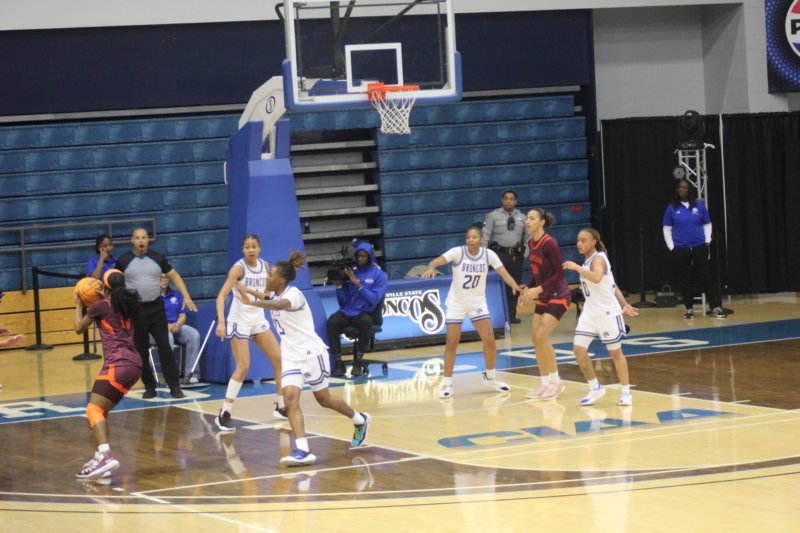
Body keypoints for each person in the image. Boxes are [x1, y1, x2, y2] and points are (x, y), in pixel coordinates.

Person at [235, 251, 371, 466]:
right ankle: (303, 449)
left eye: (270, 275)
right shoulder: (275, 295)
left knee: (324, 400)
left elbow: (278, 305)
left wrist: (253, 304)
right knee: (290, 399)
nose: (266, 278)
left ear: (281, 279)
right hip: (290, 355)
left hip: (311, 353)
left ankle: (359, 419)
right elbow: (269, 299)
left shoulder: (294, 294)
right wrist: (247, 291)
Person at [421, 223, 523, 399]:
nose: (470, 240)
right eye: (468, 237)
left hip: (477, 303)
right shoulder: (458, 252)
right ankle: (447, 383)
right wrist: (431, 267)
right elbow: (436, 261)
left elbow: (504, 273)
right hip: (457, 303)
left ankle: (490, 376)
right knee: (452, 342)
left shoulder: (488, 255)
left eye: (474, 237)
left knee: (489, 339)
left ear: (481, 239)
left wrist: (515, 286)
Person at [73, 269, 142, 478]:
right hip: (134, 363)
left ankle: (105, 456)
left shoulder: (101, 306)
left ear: (104, 287)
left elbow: (79, 328)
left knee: (93, 409)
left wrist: (79, 304)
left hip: (117, 364)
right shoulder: (127, 304)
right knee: (102, 412)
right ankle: (100, 456)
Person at [214, 234, 285, 432]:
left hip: (257, 319)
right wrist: (221, 322)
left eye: (254, 246)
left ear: (260, 248)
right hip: (240, 321)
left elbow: (266, 296)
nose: (251, 250)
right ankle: (224, 413)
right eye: (247, 247)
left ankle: (281, 406)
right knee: (243, 367)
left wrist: (252, 293)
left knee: (279, 360)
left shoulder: (265, 266)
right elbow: (221, 296)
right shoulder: (238, 269)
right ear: (242, 249)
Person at [115, 227, 196, 399]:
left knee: (165, 345)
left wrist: (187, 296)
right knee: (141, 350)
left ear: (148, 240)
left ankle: (174, 385)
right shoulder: (123, 260)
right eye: (137, 238)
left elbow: (175, 276)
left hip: (156, 308)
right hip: (136, 311)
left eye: (144, 237)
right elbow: (114, 284)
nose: (141, 240)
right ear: (132, 240)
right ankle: (149, 386)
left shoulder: (157, 258)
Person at [563, 228, 638, 406]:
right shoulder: (588, 261)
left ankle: (626, 392)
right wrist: (624, 303)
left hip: (606, 312)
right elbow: (612, 285)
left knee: (615, 353)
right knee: (578, 350)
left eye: (583, 240)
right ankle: (595, 387)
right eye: (578, 240)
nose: (579, 243)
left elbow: (597, 278)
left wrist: (576, 267)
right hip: (590, 312)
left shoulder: (599, 258)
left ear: (593, 242)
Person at [518, 208, 571, 401]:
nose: (528, 221)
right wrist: (528, 288)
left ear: (541, 222)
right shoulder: (530, 243)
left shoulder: (550, 243)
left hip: (559, 294)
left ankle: (556, 382)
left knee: (541, 335)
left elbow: (559, 273)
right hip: (544, 294)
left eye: (532, 218)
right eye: (527, 218)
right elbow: (538, 273)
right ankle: (545, 382)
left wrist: (537, 290)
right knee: (535, 338)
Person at [662, 178, 727, 319]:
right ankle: (689, 309)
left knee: (705, 277)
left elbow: (707, 224)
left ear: (689, 189)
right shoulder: (672, 207)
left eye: (685, 187)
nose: (682, 190)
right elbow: (666, 229)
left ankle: (714, 307)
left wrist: (707, 241)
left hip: (699, 247)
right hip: (681, 248)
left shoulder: (699, 206)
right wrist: (672, 247)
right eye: (680, 187)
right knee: (684, 278)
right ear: (677, 190)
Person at [326, 242, 388, 377]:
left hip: (366, 312)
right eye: (358, 256)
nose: (360, 259)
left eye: (363, 256)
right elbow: (344, 303)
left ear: (370, 257)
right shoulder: (352, 273)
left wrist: (358, 285)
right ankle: (338, 363)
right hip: (349, 311)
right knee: (332, 322)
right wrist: (339, 286)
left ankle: (358, 362)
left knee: (366, 322)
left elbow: (374, 299)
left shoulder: (380, 275)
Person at [482, 190, 530, 325]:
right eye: (506, 198)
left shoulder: (523, 218)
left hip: (515, 256)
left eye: (511, 199)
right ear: (502, 200)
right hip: (497, 255)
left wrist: (524, 254)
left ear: (516, 201)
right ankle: (495, 316)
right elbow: (485, 235)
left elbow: (529, 237)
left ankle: (511, 316)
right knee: (495, 286)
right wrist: (484, 256)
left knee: (514, 286)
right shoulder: (493, 215)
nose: (508, 201)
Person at [157, 274, 202, 384]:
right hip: (158, 328)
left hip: (176, 326)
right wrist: (165, 326)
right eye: (161, 279)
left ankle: (192, 374)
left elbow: (182, 315)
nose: (164, 281)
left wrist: (178, 324)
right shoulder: (152, 297)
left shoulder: (177, 295)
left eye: (166, 278)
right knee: (168, 337)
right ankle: (170, 375)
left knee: (194, 335)